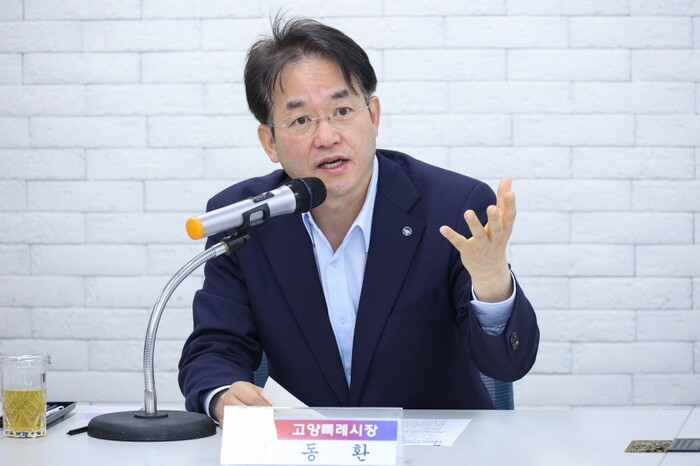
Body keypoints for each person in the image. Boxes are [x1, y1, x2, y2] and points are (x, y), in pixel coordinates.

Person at [178, 16, 539, 424]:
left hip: (435, 447)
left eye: (342, 110)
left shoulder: (454, 209)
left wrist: (491, 284)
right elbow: (214, 349)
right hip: (310, 444)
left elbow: (507, 364)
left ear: (374, 116)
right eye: (301, 120)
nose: (327, 136)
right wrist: (222, 395)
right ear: (270, 142)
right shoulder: (246, 220)